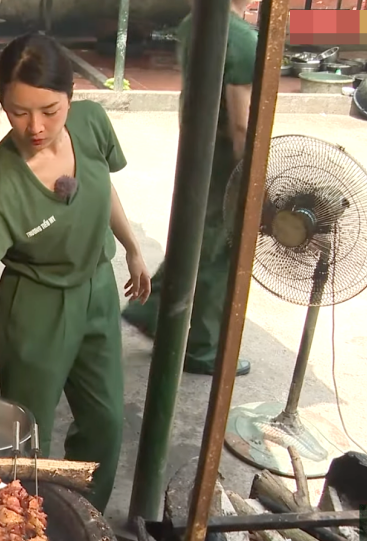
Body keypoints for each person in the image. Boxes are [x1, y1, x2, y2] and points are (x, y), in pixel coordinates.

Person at [0, 33, 151, 513]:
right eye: (18, 112)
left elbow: (102, 187)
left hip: (97, 290)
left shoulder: (91, 124)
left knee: (107, 422)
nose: (35, 126)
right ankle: (30, 526)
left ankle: (83, 515)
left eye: (50, 110)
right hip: (35, 306)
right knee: (30, 434)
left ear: (71, 96)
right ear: (1, 103)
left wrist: (131, 246)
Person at [121, 0, 256, 377]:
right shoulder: (243, 40)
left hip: (197, 146)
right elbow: (243, 125)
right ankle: (202, 348)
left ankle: (153, 314)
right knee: (217, 253)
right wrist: (253, 179)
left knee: (192, 239)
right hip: (225, 160)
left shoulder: (193, 21)